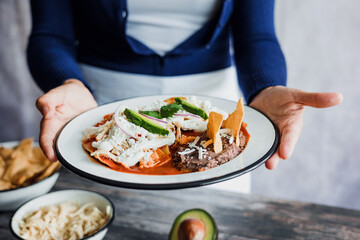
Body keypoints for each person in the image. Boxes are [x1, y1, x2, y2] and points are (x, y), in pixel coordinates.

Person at [28, 0, 342, 190]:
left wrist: (268, 87)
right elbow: (50, 34)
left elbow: (256, 35)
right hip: (98, 109)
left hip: (210, 113)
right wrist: (66, 82)